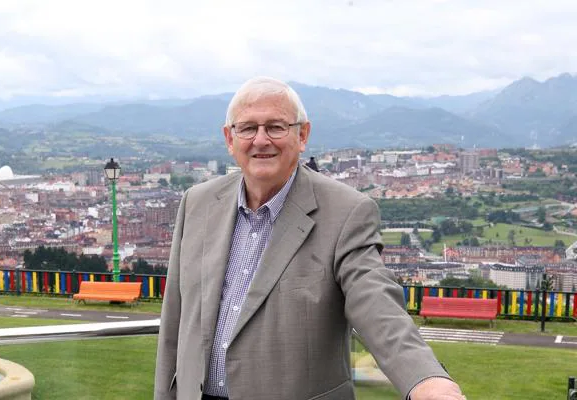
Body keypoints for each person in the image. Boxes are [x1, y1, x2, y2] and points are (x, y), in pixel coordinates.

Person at [154, 77, 465, 400]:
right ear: (229, 139)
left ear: (302, 135)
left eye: (276, 127)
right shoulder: (197, 203)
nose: (260, 140)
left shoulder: (346, 212)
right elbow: (174, 323)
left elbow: (377, 304)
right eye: (247, 128)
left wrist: (426, 381)